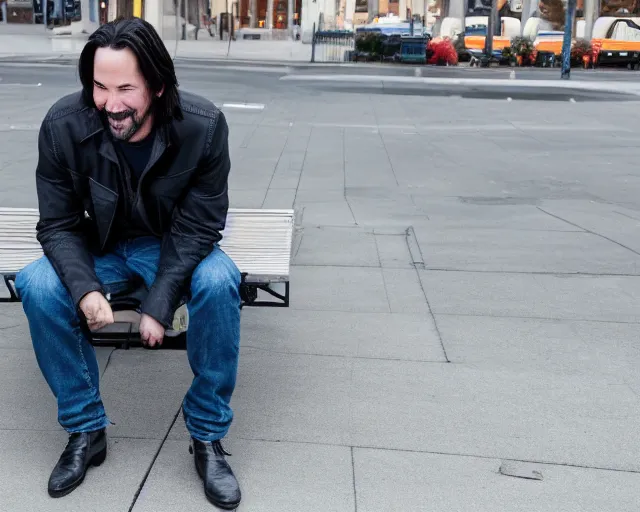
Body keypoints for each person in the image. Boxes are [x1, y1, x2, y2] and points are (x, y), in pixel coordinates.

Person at [15, 17, 242, 510]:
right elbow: (56, 225)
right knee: (36, 283)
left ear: (158, 86)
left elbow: (202, 225)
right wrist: (85, 289)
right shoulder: (62, 125)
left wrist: (159, 303)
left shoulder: (202, 126)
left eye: (125, 88)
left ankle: (206, 435)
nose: (110, 104)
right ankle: (85, 429)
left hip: (171, 244)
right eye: (99, 86)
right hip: (99, 247)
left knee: (221, 281)